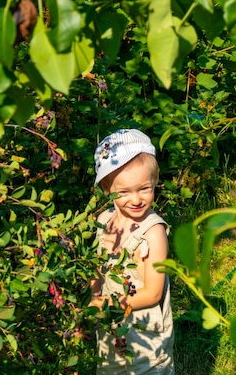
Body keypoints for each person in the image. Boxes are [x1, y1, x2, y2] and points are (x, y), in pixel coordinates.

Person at [89, 129, 174, 375]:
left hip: (145, 332)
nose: (136, 199)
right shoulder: (104, 221)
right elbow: (96, 265)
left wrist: (107, 303)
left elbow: (153, 293)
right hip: (111, 326)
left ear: (155, 180)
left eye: (144, 189)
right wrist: (95, 297)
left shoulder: (153, 232)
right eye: (124, 192)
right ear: (107, 188)